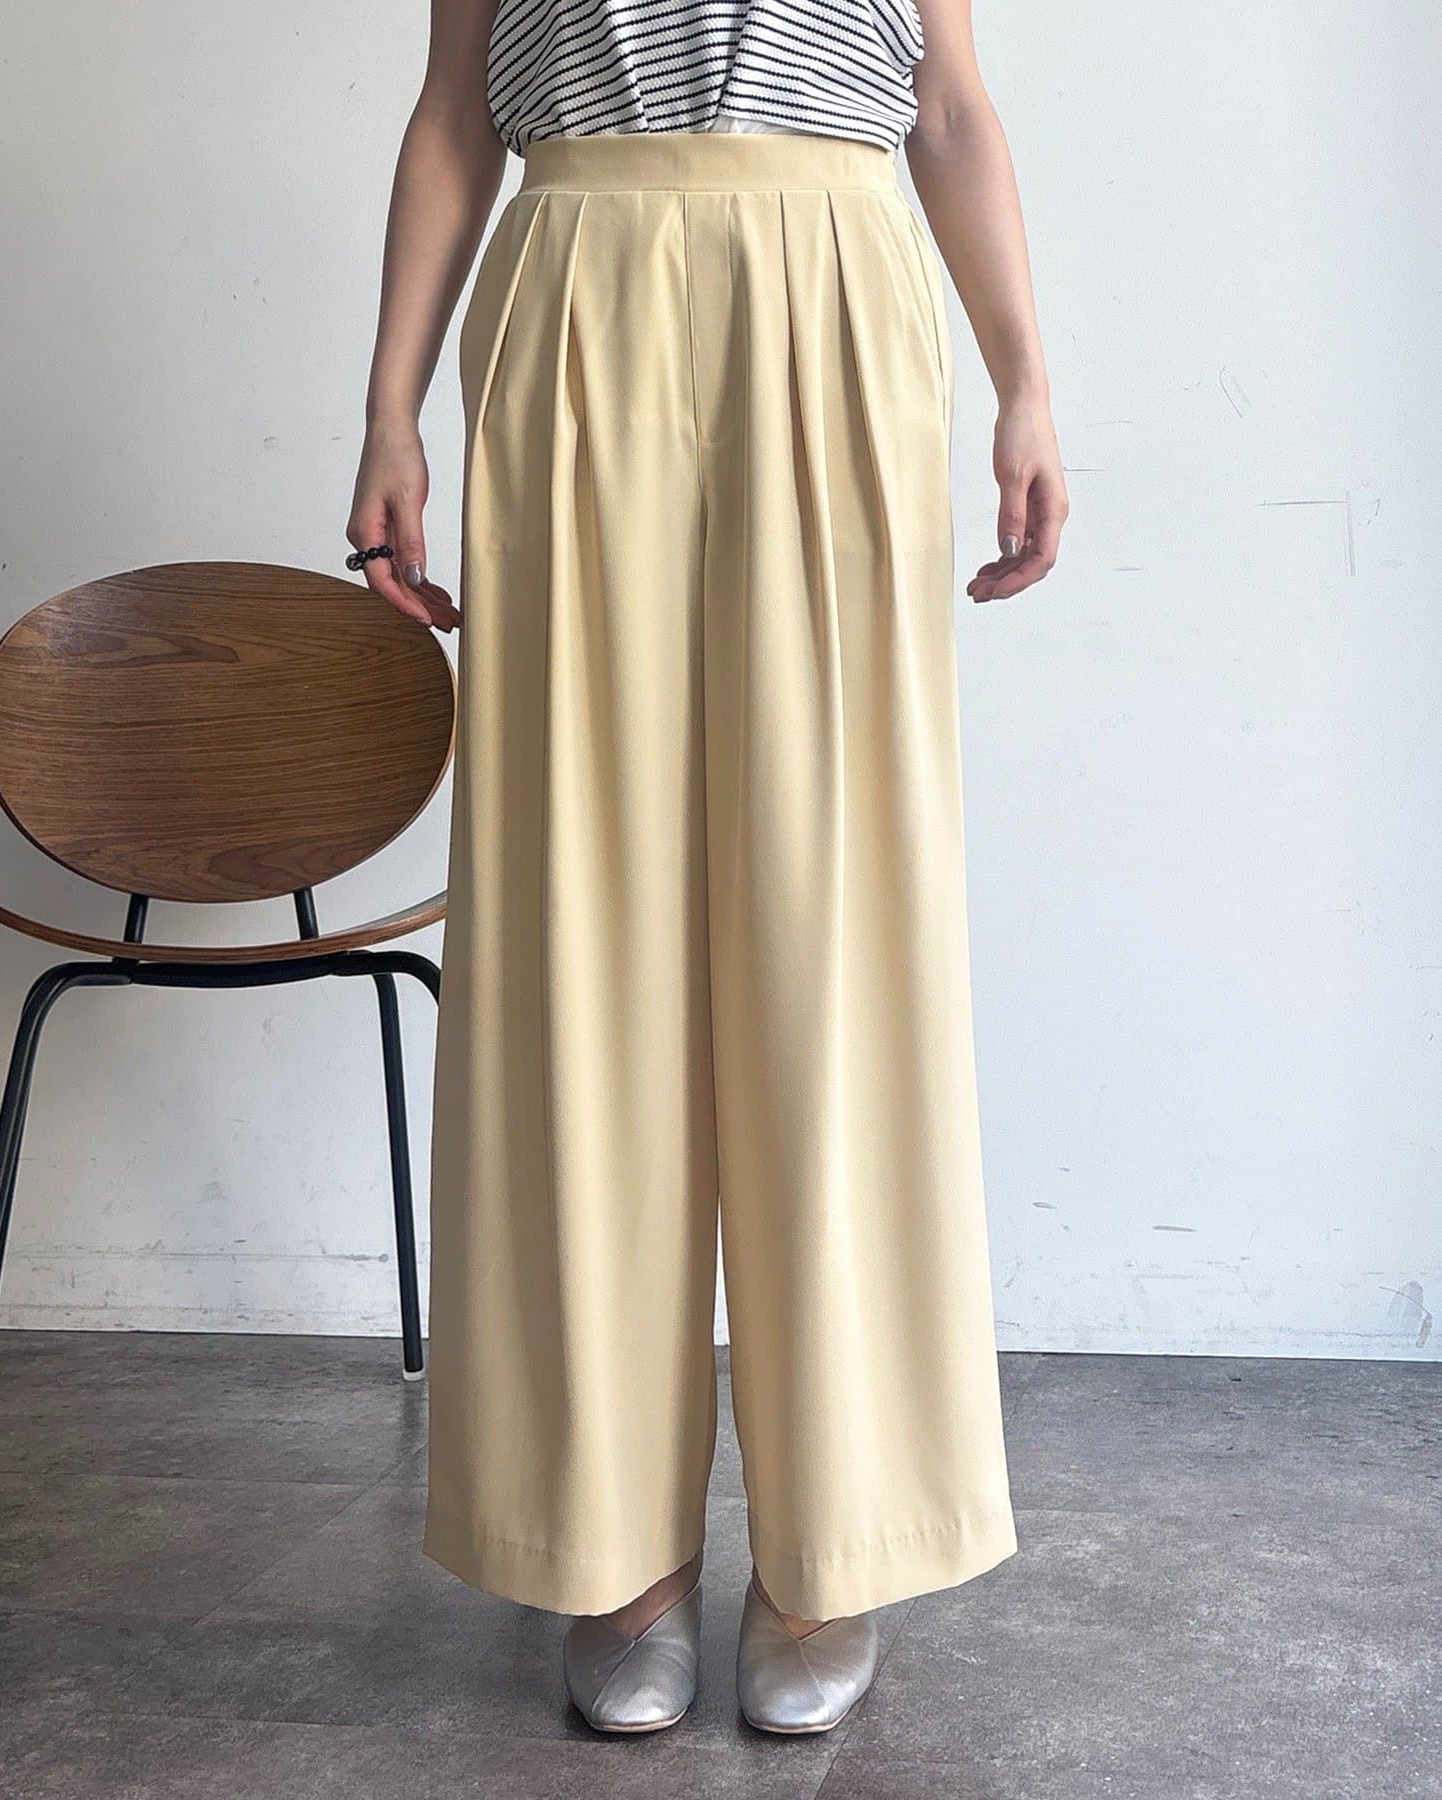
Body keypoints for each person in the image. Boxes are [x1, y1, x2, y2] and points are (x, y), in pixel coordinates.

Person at [348, 0, 1066, 1736]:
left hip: (834, 284)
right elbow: (454, 111)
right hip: (577, 289)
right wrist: (388, 411)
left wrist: (1028, 379)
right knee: (579, 906)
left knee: (836, 903)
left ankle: (838, 1536)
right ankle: (611, 1546)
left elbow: (948, 108)